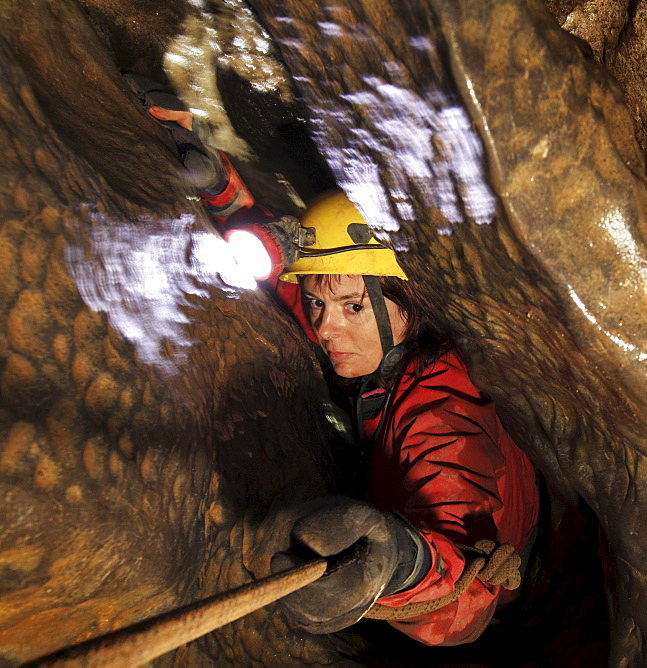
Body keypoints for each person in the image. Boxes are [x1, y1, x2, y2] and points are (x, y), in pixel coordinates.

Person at [126, 73, 540, 646]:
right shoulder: (376, 347)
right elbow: (282, 277)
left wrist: (399, 563)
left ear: (405, 305)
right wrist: (223, 189)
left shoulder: (438, 408)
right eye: (322, 303)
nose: (325, 326)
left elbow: (464, 608)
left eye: (349, 306)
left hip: (513, 585)